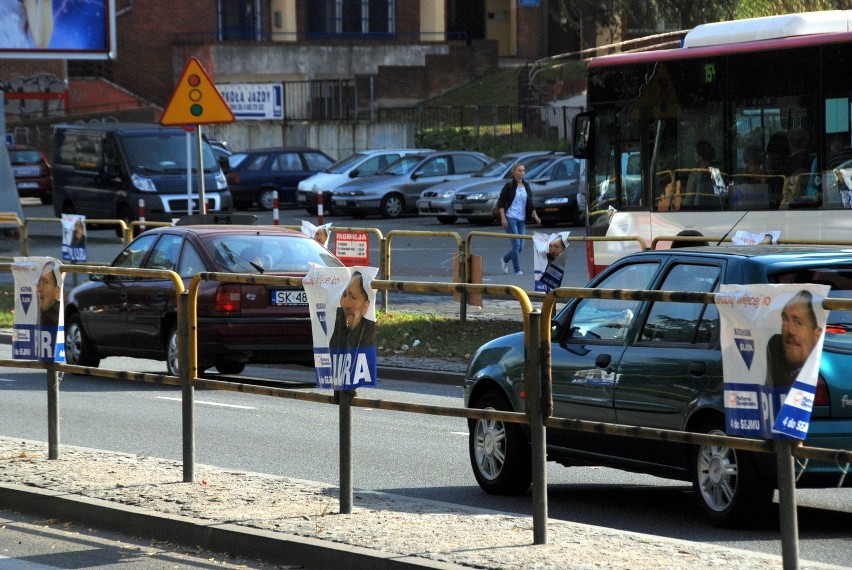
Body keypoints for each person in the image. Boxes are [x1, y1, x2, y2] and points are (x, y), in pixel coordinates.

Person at [765, 290, 823, 390]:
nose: (790, 330)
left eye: (798, 322)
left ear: (817, 335)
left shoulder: (824, 365)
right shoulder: (774, 348)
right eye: (785, 319)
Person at [497, 163, 540, 275]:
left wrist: (535, 214)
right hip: (510, 217)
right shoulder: (509, 185)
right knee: (516, 245)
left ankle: (505, 260)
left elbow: (530, 202)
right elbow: (501, 203)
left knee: (520, 247)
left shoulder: (526, 185)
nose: (522, 173)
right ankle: (517, 270)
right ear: (514, 172)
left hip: (521, 219)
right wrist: (503, 218)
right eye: (519, 170)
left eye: (523, 170)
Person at [329, 271, 376, 351]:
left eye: (353, 298)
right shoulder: (335, 325)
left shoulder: (369, 333)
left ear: (366, 305)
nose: (345, 304)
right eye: (344, 295)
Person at [684, 140, 718, 207]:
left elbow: (688, 202)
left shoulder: (694, 175)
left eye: (695, 153)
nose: (694, 155)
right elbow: (721, 198)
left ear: (700, 157)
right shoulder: (716, 173)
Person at [37, 261, 60, 328]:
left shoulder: (61, 319)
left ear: (57, 292)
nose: (39, 288)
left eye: (46, 282)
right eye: (38, 281)